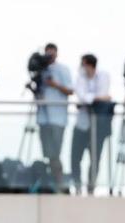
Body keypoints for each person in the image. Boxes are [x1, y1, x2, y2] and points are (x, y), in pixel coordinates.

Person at [69, 54, 112, 195]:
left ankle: (91, 186)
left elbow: (99, 97)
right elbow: (83, 97)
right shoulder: (80, 78)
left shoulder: (103, 76)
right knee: (75, 157)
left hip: (98, 126)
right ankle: (77, 185)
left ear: (89, 65)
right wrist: (97, 99)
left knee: (95, 158)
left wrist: (94, 99)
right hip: (82, 125)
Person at [36, 43, 73, 188]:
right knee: (47, 153)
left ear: (57, 53)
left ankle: (59, 181)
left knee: (55, 153)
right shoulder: (40, 70)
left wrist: (54, 84)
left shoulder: (63, 70)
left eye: (52, 53)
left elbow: (70, 90)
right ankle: (51, 181)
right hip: (43, 118)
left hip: (58, 118)